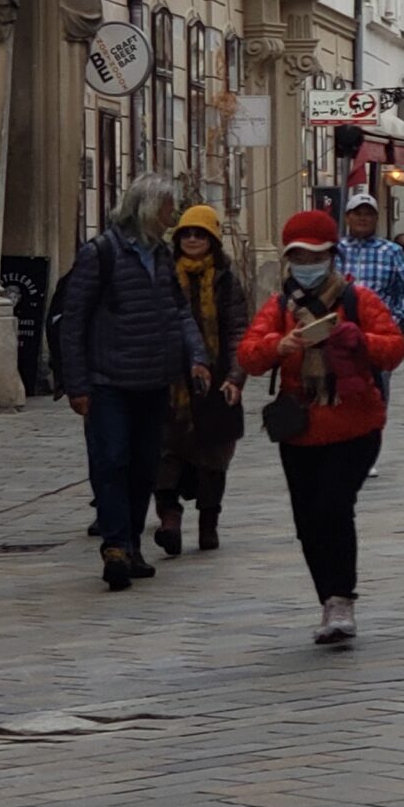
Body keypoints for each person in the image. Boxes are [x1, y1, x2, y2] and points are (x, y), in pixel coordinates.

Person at [239, 208, 404, 644]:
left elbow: (393, 349)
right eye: (299, 256)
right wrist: (281, 344)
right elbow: (249, 355)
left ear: (332, 256)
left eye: (315, 256)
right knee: (307, 520)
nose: (307, 265)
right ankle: (327, 599)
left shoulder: (358, 300)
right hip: (300, 429)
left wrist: (358, 339)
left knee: (333, 507)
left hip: (354, 426)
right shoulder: (279, 307)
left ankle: (341, 599)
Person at [59, 173, 210, 591]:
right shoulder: (101, 254)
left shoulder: (161, 255)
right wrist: (77, 385)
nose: (171, 216)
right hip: (108, 380)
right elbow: (74, 322)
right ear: (147, 209)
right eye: (166, 208)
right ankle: (115, 546)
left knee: (144, 466)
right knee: (111, 461)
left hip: (153, 381)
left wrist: (196, 357)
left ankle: (131, 546)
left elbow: (178, 312)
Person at [152, 205, 249, 557]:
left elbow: (238, 329)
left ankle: (209, 523)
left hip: (216, 379)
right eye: (187, 234)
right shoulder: (162, 274)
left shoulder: (225, 279)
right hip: (169, 379)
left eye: (200, 234)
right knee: (165, 454)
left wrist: (237, 375)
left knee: (214, 455)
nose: (193, 240)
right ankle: (169, 520)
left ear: (212, 240)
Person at [338, 188, 404, 473]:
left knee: (376, 392)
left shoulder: (391, 251)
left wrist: (394, 323)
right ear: (348, 216)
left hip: (376, 336)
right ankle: (345, 446)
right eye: (357, 213)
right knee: (342, 390)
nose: (362, 219)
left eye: (368, 214)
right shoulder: (336, 250)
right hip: (340, 335)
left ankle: (367, 452)